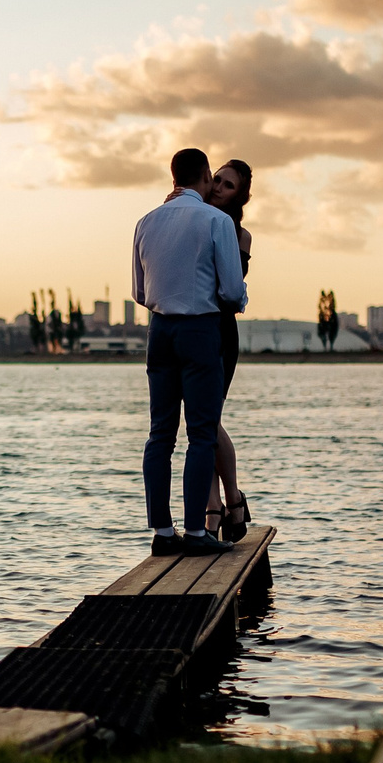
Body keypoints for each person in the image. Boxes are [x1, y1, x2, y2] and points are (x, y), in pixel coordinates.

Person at [131, 147, 246, 556]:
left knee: (160, 433)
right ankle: (197, 532)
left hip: (159, 332)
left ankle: (163, 532)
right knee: (201, 433)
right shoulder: (216, 221)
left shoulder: (145, 222)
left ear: (173, 177)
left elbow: (139, 292)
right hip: (200, 329)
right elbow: (232, 290)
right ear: (202, 177)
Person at [203, 159, 254, 540]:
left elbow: (230, 289)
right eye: (216, 179)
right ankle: (219, 505)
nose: (219, 187)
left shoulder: (241, 236)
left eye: (229, 185)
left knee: (206, 421)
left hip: (221, 331)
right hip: (193, 328)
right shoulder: (193, 219)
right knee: (198, 425)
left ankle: (227, 501)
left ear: (242, 196)